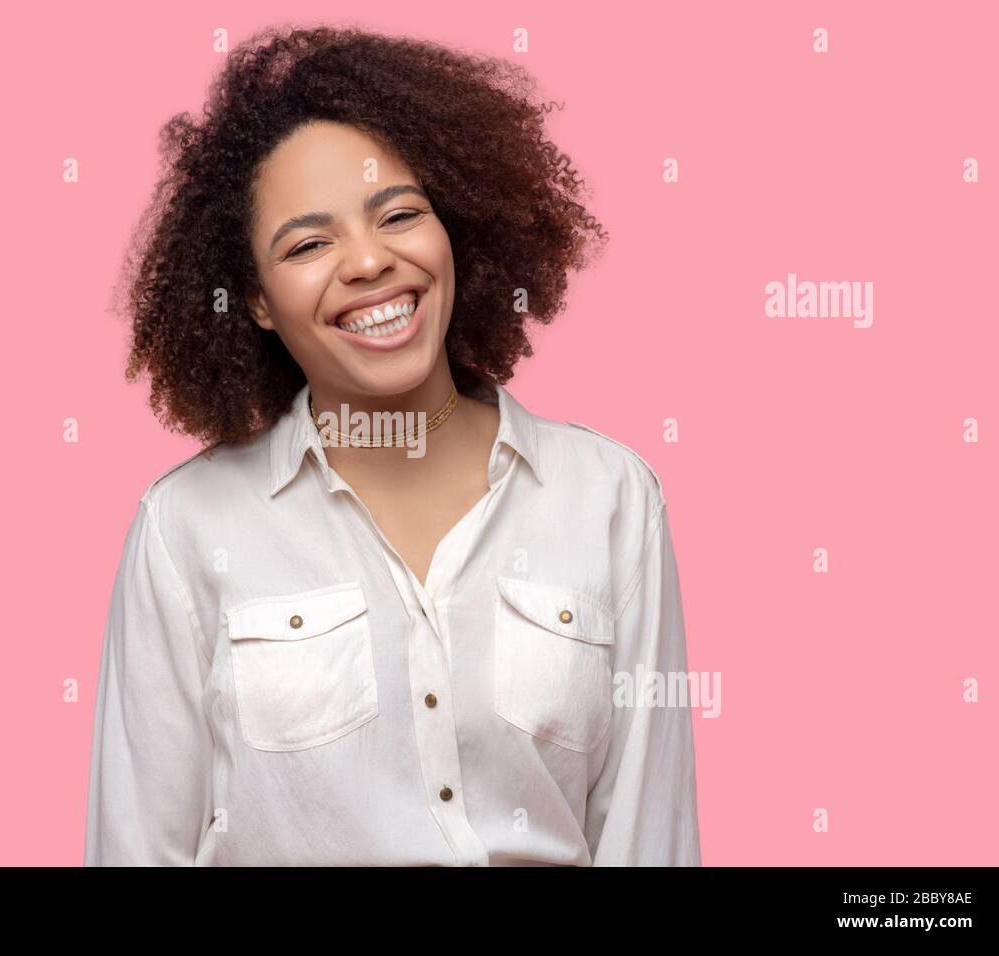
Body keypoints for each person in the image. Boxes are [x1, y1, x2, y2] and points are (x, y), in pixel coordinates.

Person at [84, 25, 700, 866]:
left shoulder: (609, 499)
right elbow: (137, 848)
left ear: (455, 228)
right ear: (257, 302)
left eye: (400, 214)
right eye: (307, 245)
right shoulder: (186, 528)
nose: (369, 261)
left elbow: (648, 837)